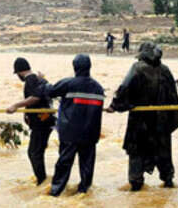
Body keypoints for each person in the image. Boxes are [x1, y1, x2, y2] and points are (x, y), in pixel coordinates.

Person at [108, 42, 178, 190]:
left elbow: (124, 88)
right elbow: (174, 98)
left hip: (140, 123)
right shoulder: (165, 70)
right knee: (163, 153)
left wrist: (114, 106)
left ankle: (136, 189)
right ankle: (168, 184)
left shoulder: (137, 69)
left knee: (137, 153)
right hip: (161, 123)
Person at [42, 54, 105, 196]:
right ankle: (84, 192)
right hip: (90, 133)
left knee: (64, 163)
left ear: (74, 67)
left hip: (70, 133)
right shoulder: (98, 88)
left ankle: (55, 192)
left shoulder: (69, 83)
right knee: (87, 165)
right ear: (89, 67)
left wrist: (43, 81)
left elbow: (50, 91)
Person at [7, 57, 56, 185]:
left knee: (34, 152)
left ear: (19, 72)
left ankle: (42, 181)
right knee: (37, 151)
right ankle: (43, 180)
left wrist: (16, 105)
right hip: (46, 120)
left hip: (41, 123)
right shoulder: (39, 79)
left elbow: (35, 98)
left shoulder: (30, 80)